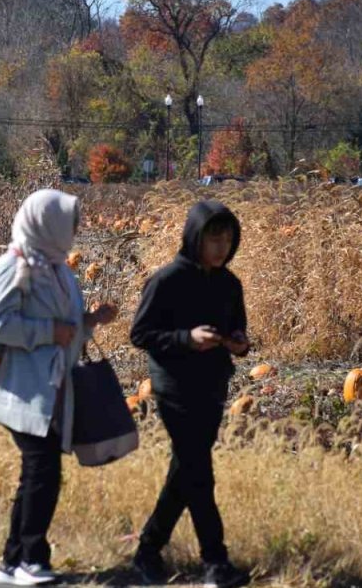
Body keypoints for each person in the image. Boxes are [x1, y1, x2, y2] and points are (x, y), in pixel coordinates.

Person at [0, 189, 118, 586]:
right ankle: (32, 559)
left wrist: (90, 322)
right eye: (70, 223)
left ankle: (13, 560)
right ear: (46, 223)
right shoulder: (15, 264)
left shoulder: (57, 268)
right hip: (21, 389)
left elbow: (67, 331)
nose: (75, 230)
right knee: (44, 471)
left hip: (51, 387)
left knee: (36, 472)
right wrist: (47, 332)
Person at [129, 200, 251, 588]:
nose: (221, 247)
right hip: (173, 384)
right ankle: (215, 563)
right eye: (214, 238)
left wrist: (239, 344)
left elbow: (239, 332)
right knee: (199, 471)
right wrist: (186, 338)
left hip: (212, 383)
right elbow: (141, 334)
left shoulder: (230, 284)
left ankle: (148, 550)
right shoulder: (166, 280)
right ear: (195, 237)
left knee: (187, 471)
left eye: (228, 239)